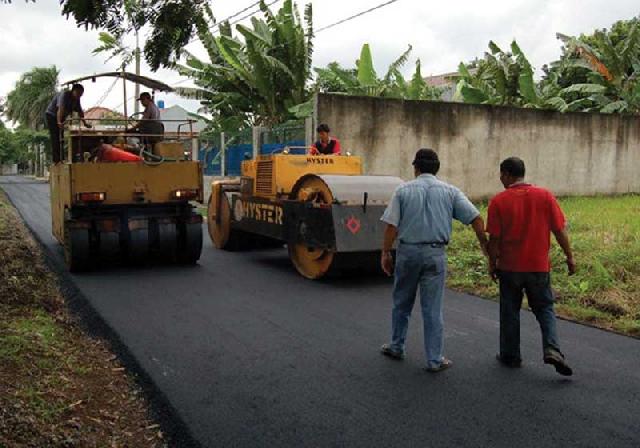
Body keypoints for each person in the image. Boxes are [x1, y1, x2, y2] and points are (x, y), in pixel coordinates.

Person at [379, 148, 488, 372]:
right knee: (432, 309)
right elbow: (476, 219)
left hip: (408, 253)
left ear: (416, 168)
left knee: (402, 303)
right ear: (436, 168)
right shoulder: (450, 191)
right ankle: (435, 359)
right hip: (435, 254)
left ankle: (397, 346)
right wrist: (484, 246)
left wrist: (386, 253)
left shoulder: (403, 191)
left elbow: (391, 226)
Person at [487, 157, 575, 376]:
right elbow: (559, 230)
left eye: (501, 174)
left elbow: (495, 239)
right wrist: (569, 257)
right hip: (538, 267)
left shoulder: (498, 201)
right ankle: (552, 349)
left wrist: (492, 262)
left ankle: (511, 356)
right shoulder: (545, 196)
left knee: (510, 311)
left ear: (507, 174)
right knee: (545, 308)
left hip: (510, 267)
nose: (500, 179)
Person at [45, 83, 91, 163]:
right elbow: (60, 109)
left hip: (62, 117)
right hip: (52, 115)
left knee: (61, 137)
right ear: (73, 91)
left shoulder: (77, 99)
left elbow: (80, 112)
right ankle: (56, 160)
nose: (79, 96)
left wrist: (85, 123)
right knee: (55, 137)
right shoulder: (64, 95)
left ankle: (61, 158)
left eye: (81, 95)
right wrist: (59, 122)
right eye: (78, 93)